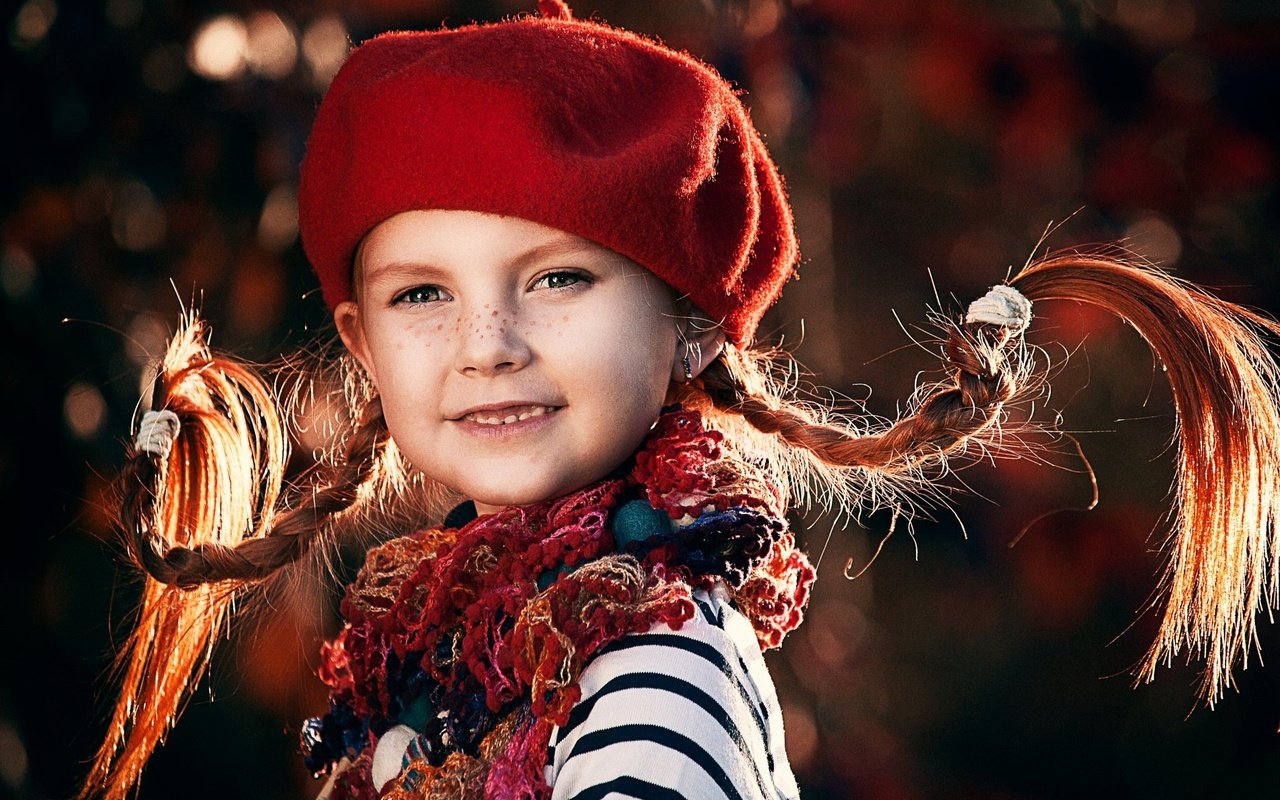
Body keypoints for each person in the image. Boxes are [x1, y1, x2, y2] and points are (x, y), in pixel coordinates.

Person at [80, 1, 1280, 798]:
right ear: (357, 338)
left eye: (557, 277)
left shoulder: (652, 663)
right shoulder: (457, 642)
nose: (486, 345)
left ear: (692, 324)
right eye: (421, 295)